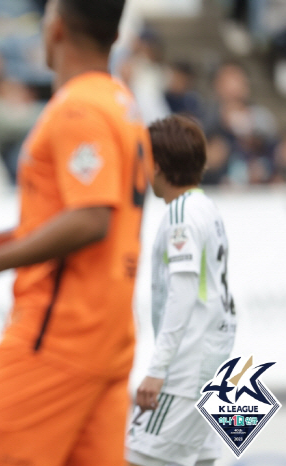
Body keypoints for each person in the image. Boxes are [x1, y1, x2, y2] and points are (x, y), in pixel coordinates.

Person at [0, 0, 153, 465]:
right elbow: (73, 218)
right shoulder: (122, 105)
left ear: (55, 29)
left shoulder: (78, 110)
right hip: (107, 338)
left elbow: (92, 219)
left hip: (57, 335)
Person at [126, 115, 236, 466]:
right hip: (219, 367)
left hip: (187, 374)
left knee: (129, 457)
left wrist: (158, 370)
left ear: (156, 165)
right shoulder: (207, 208)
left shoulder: (181, 214)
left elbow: (183, 292)